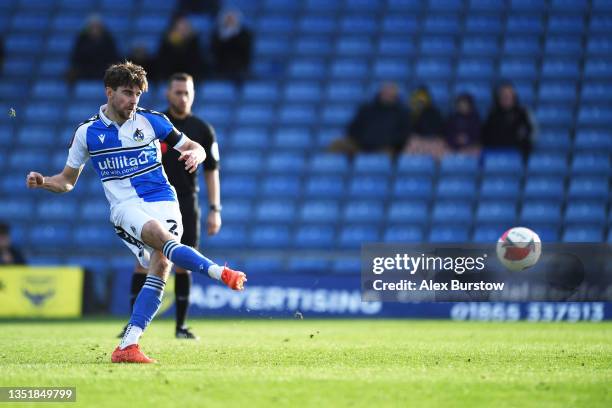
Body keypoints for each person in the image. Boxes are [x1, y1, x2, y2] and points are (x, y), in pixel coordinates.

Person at [26, 61, 246, 364]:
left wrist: (196, 152)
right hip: (124, 206)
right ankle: (220, 272)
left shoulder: (153, 122)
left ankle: (128, 346)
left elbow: (194, 146)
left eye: (138, 95)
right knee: (160, 237)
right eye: (127, 93)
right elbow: (67, 181)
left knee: (162, 263)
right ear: (109, 91)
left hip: (164, 199)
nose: (133, 101)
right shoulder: (87, 133)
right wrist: (45, 182)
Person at [120, 72, 222, 340]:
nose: (183, 97)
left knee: (183, 263)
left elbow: (212, 171)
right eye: (178, 92)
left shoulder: (203, 130)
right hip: (152, 201)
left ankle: (181, 326)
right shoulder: (152, 124)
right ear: (168, 93)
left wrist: (215, 209)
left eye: (187, 92)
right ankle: (132, 325)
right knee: (143, 263)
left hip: (187, 201)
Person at [328, 82, 411, 156]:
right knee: (337, 144)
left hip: (386, 147)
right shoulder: (367, 109)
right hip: (361, 144)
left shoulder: (402, 112)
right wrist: (362, 139)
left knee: (386, 155)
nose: (387, 93)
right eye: (385, 91)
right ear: (381, 92)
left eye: (390, 91)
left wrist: (386, 141)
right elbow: (353, 128)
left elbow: (404, 134)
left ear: (395, 94)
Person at [481, 82, 533, 158]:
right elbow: (485, 135)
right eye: (503, 95)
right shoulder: (492, 114)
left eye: (509, 95)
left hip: (517, 152)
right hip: (495, 153)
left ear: (514, 96)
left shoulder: (523, 113)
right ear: (499, 97)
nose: (506, 97)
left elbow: (529, 132)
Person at [68, 15, 119, 82]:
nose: (95, 29)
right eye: (92, 27)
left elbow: (114, 57)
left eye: (97, 27)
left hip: (103, 70)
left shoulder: (108, 40)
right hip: (85, 70)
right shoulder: (81, 40)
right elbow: (76, 57)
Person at [210, 9, 253, 84]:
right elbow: (214, 52)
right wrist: (224, 37)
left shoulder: (245, 34)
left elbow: (246, 51)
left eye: (232, 18)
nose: (230, 21)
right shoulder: (216, 34)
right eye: (228, 18)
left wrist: (234, 35)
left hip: (239, 69)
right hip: (220, 69)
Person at [403, 86, 447, 159]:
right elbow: (409, 131)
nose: (420, 101)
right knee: (410, 143)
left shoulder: (435, 112)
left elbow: (440, 129)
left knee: (440, 145)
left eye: (423, 98)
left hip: (432, 140)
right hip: (418, 140)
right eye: (418, 98)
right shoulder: (411, 113)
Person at [157, 16, 204, 82]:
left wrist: (188, 42)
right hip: (169, 79)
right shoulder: (167, 42)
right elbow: (164, 65)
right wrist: (173, 45)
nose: (183, 31)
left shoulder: (194, 42)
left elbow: (196, 64)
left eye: (185, 27)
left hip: (191, 79)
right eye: (180, 28)